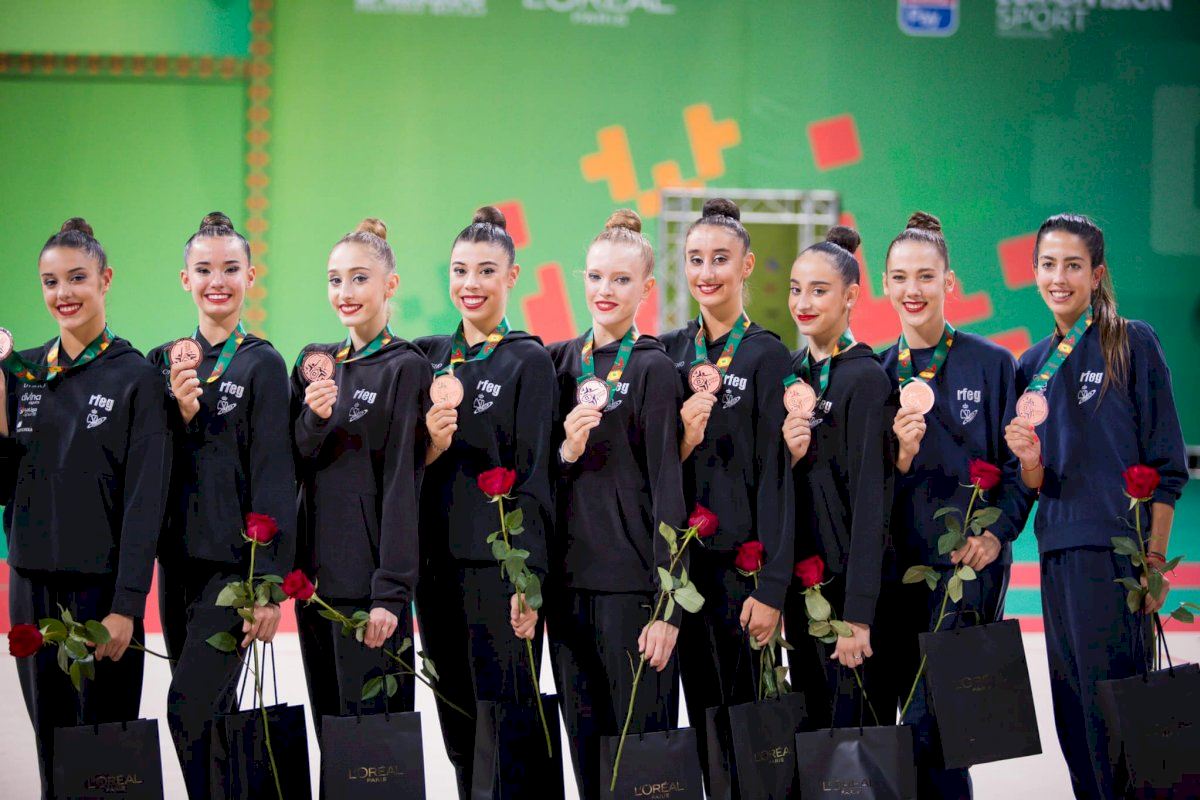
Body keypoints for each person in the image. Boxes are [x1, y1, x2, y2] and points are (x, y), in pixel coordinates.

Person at [1004, 213, 1188, 799]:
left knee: (1120, 718)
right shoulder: (1030, 366)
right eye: (1049, 265)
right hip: (1058, 553)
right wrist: (1027, 458)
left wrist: (1153, 563)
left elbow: (1166, 467)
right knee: (1074, 719)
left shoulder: (1131, 342)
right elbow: (1034, 480)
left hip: (1116, 560)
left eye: (1073, 265)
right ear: (1034, 272)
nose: (1059, 277)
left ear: (1097, 273)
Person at [0, 218, 170, 799]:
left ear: (105, 280)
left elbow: (145, 503)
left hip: (101, 596)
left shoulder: (137, 378)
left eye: (77, 278)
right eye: (50, 282)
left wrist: (127, 607)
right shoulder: (19, 373)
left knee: (106, 760)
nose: (63, 294)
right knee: (53, 754)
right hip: (30, 588)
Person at [880, 211, 1030, 798]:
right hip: (890, 577)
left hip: (963, 575)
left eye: (925, 276)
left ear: (949, 282)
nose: (911, 290)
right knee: (888, 731)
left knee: (943, 738)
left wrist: (997, 537)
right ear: (884, 285)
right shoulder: (869, 370)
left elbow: (1020, 469)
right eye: (899, 277)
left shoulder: (992, 365)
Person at [149, 211, 295, 798]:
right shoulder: (161, 362)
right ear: (184, 278)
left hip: (233, 572)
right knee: (211, 720)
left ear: (251, 276)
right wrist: (175, 416)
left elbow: (274, 479)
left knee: (187, 708)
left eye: (231, 268)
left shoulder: (263, 362)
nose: (218, 280)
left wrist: (268, 585)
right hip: (175, 564)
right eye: (204, 269)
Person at [546, 209, 687, 799]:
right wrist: (567, 450)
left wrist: (668, 609)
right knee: (586, 753)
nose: (607, 291)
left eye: (622, 280)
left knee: (641, 763)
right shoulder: (556, 362)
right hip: (566, 590)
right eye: (598, 277)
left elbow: (669, 490)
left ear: (647, 289)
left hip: (634, 594)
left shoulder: (655, 369)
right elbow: (537, 480)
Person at [414, 206, 555, 797]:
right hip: (434, 570)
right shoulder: (425, 357)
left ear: (512, 277)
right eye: (460, 270)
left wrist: (529, 581)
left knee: (506, 721)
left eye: (486, 271)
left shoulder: (529, 360)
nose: (470, 284)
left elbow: (537, 478)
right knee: (457, 721)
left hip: (501, 574)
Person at [658, 197, 793, 788]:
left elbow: (777, 479)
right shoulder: (668, 352)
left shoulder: (768, 354)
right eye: (695, 259)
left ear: (746, 266)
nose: (706, 272)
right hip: (683, 574)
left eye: (720, 259)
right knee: (701, 728)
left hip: (742, 575)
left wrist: (772, 587)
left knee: (749, 734)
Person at [291, 218, 431, 730]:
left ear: (389, 285)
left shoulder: (406, 367)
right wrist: (313, 419)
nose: (344, 292)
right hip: (315, 587)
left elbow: (403, 482)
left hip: (372, 593)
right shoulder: (316, 364)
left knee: (375, 752)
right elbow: (294, 464)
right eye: (334, 279)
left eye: (359, 278)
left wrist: (391, 593)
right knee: (333, 743)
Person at [780, 225, 896, 728]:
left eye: (819, 291)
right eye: (795, 289)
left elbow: (874, 501)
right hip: (800, 592)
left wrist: (859, 615)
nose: (803, 302)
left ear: (851, 296)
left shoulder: (867, 380)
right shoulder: (790, 374)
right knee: (810, 744)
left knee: (855, 751)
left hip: (849, 598)